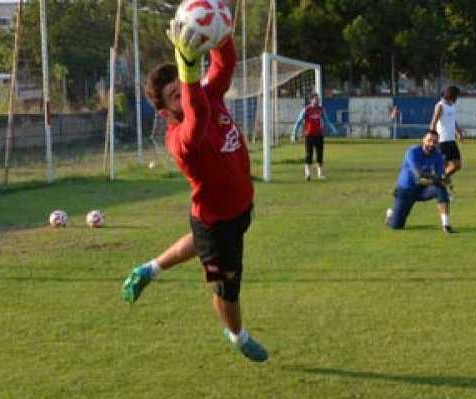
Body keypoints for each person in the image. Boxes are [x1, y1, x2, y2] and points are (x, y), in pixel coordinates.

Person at [119, 20, 267, 362]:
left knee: (201, 243)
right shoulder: (180, 139)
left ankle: (149, 269)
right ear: (164, 110)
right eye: (175, 95)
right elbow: (198, 116)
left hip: (235, 212)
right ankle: (236, 335)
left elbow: (224, 63)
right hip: (216, 224)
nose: (185, 96)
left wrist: (218, 27)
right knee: (226, 290)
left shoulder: (206, 93)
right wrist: (187, 67)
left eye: (183, 87)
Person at [385, 130, 453, 232]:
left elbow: (440, 174)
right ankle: (391, 214)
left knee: (441, 189)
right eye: (429, 140)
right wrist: (438, 178)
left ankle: (446, 225)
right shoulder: (412, 152)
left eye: (435, 142)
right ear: (423, 140)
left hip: (422, 189)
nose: (431, 144)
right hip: (406, 190)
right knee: (397, 225)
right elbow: (419, 174)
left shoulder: (437, 154)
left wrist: (446, 179)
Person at [291, 93, 339, 180]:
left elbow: (327, 120)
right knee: (309, 154)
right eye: (315, 99)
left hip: (319, 135)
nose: (317, 101)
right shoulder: (306, 110)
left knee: (319, 155)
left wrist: (333, 129)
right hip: (309, 136)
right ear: (311, 100)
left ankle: (320, 174)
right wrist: (294, 134)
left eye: (318, 99)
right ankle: (308, 174)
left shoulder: (321, 109)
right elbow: (298, 121)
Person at [429, 85, 464, 197]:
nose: (457, 98)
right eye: (457, 96)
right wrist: (432, 137)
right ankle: (445, 192)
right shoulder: (440, 106)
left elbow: (453, 121)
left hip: (451, 140)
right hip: (442, 141)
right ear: (452, 95)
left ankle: (441, 180)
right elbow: (433, 123)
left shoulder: (452, 106)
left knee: (457, 165)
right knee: (443, 167)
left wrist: (459, 132)